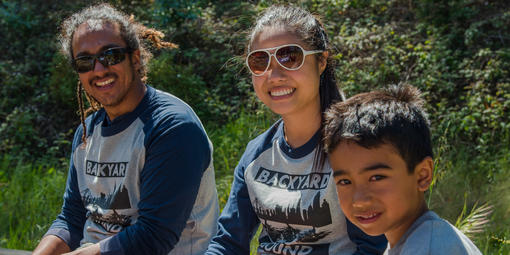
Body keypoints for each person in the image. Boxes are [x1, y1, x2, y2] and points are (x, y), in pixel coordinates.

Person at [33, 3, 219, 255]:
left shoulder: (172, 128)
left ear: (135, 58)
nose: (98, 69)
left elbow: (154, 237)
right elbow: (71, 218)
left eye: (110, 55)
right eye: (85, 61)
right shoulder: (87, 132)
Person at [206, 5, 387, 255]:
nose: (274, 74)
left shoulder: (356, 149)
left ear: (321, 61)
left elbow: (373, 248)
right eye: (260, 61)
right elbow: (227, 243)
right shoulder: (256, 155)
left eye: (290, 57)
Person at [323, 85, 482, 254]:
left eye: (377, 177)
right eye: (345, 181)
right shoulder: (417, 239)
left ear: (422, 175)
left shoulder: (429, 248)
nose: (359, 200)